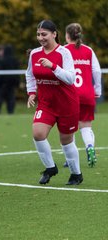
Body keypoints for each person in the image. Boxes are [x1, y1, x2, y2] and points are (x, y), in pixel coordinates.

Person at [26, 20, 82, 185]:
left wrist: (53, 67)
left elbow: (70, 78)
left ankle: (76, 174)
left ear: (54, 34)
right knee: (38, 133)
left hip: (67, 104)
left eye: (44, 34)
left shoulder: (64, 53)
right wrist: (31, 92)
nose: (41, 38)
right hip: (46, 104)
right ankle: (50, 168)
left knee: (66, 140)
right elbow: (29, 74)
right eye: (38, 34)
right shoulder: (35, 54)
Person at [64, 23, 102, 168]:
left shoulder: (63, 50)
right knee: (86, 126)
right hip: (87, 94)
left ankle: (70, 159)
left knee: (69, 128)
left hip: (70, 95)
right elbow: (97, 71)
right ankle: (90, 146)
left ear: (67, 36)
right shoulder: (88, 50)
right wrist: (97, 90)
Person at [0, 44, 20, 114]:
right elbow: (17, 72)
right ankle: (11, 112)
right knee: (11, 98)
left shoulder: (2, 60)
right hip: (11, 83)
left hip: (2, 83)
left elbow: (0, 72)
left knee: (0, 98)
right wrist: (17, 82)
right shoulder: (15, 60)